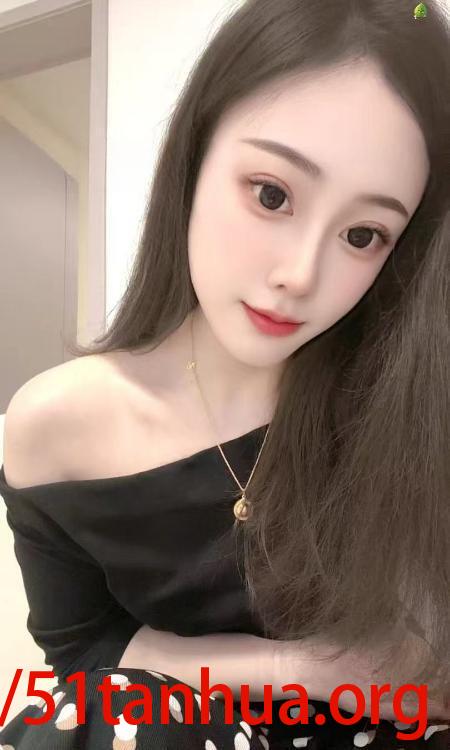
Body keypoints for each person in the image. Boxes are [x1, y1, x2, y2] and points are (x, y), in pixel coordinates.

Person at [0, 0, 449, 747]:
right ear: (195, 156)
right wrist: (304, 670)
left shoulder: (405, 405)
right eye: (273, 195)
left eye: (363, 234)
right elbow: (84, 652)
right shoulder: (56, 425)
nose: (300, 275)